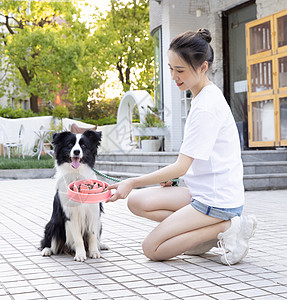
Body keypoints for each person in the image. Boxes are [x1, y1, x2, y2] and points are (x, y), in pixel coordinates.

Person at [107, 29, 257, 265]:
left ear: (203, 67)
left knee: (152, 249)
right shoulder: (202, 96)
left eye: (180, 70)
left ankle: (229, 226)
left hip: (216, 200)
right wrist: (173, 181)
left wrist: (132, 182)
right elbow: (194, 162)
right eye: (171, 69)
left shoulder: (206, 106)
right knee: (136, 202)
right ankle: (201, 238)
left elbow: (181, 166)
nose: (175, 77)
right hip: (203, 192)